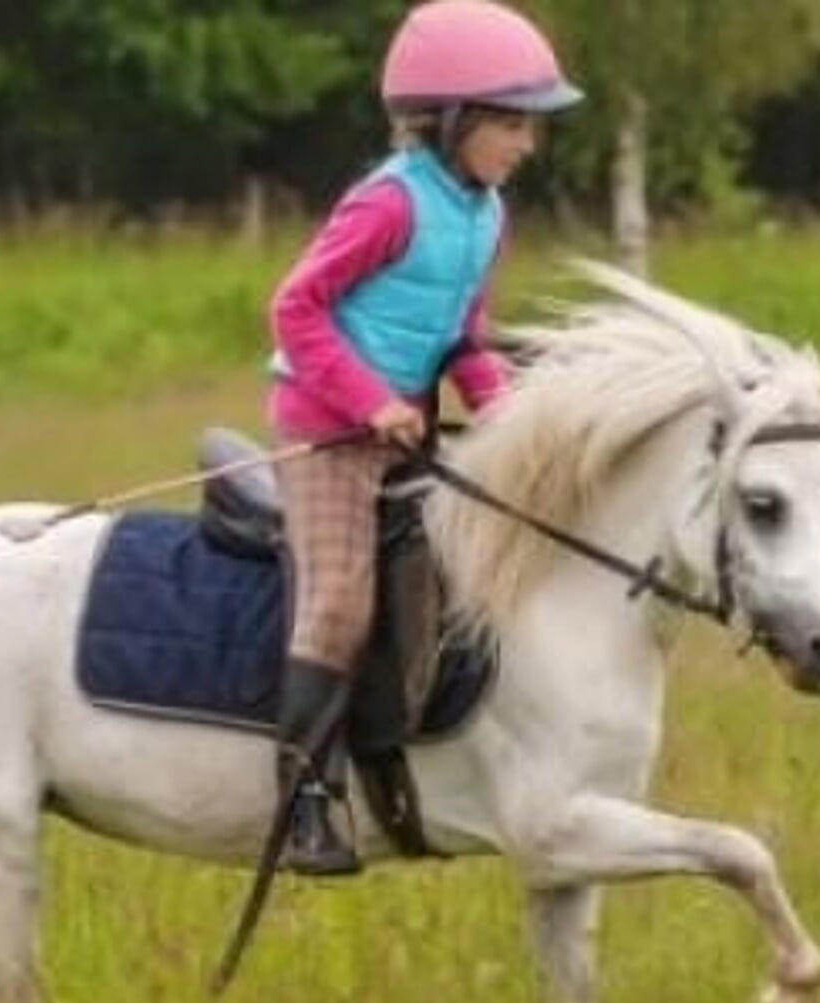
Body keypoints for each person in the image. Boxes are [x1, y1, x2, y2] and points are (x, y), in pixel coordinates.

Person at [265, 0, 583, 875]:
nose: (525, 145)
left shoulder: (483, 215)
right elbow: (295, 309)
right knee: (338, 600)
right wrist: (368, 402)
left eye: (529, 126)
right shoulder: (387, 207)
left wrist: (506, 409)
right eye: (511, 124)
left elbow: (461, 336)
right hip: (325, 433)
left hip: (403, 429)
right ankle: (304, 802)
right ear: (450, 122)